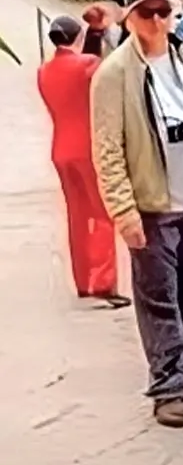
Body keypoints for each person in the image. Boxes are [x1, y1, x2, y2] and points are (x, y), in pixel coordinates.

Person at [91, 0, 183, 428]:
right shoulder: (114, 74)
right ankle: (167, 385)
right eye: (145, 13)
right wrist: (123, 210)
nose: (155, 21)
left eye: (162, 11)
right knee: (158, 298)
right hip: (152, 203)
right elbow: (107, 148)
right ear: (129, 17)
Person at [36, 16, 128, 308]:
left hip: (61, 147)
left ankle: (83, 280)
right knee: (101, 212)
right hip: (88, 146)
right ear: (78, 37)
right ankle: (103, 280)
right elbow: (104, 77)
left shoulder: (43, 71)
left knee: (76, 215)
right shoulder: (88, 64)